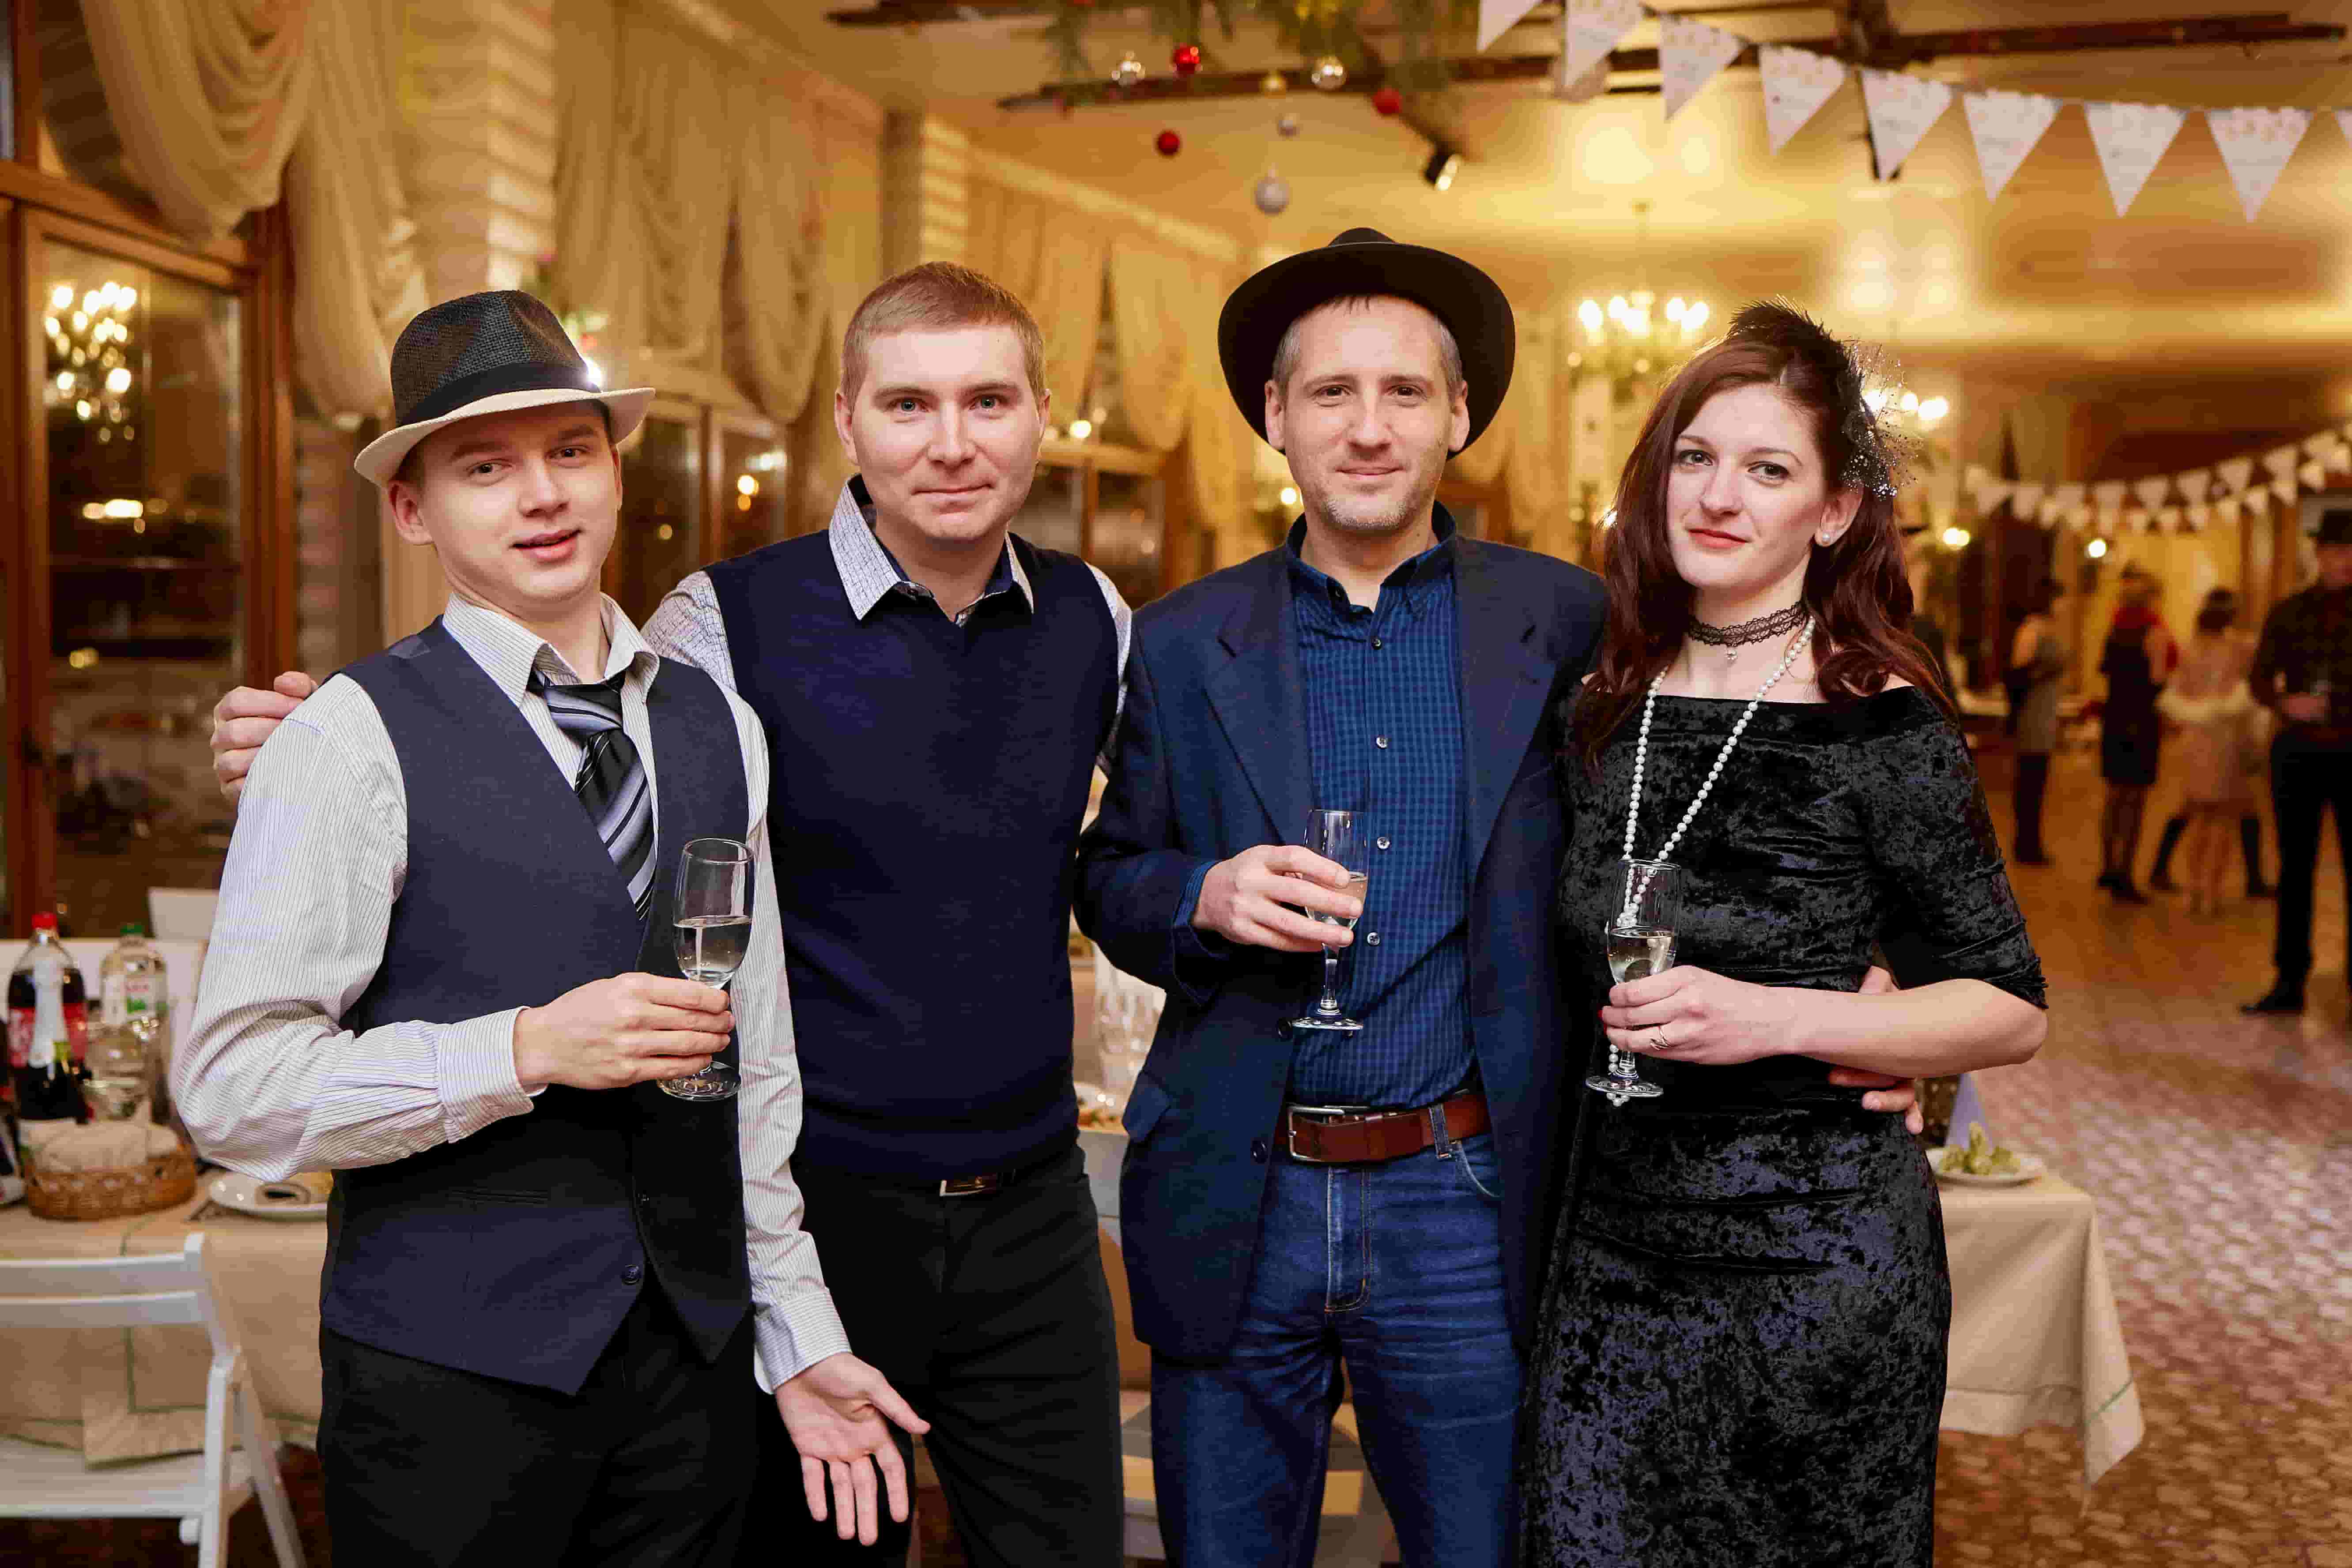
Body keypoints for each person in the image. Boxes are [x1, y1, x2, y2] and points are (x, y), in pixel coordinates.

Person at [213, 264, 1132, 1567]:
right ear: (410, 508)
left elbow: (746, 1038)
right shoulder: (380, 727)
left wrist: (790, 1328)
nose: (543, 495)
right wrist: (520, 1042)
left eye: (570, 452)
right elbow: (238, 1085)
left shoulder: (716, 721)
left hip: (720, 1335)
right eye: (486, 468)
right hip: (471, 1351)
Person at [1076, 236, 1918, 1568]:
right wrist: (1202, 890)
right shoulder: (1182, 638)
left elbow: (1705, 818)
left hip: (1466, 1195)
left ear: (1457, 416)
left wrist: (1853, 983)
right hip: (1240, 1186)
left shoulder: (1569, 621)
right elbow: (1111, 874)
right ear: (1275, 416)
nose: (1367, 427)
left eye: (1404, 392)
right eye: (1331, 392)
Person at [1521, 302, 2048, 1567]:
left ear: (1831, 510)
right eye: (1694, 458)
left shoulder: (1879, 719)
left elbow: (2010, 1005)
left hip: (1818, 1267)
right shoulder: (1599, 702)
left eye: (1766, 469)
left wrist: (1784, 1019)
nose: (1717, 496)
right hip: (1608, 1254)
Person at [2242, 508, 2352, 1016]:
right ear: (2319, 554)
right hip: (2297, 753)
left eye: (2351, 551)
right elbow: (2258, 679)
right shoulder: (2288, 612)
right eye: (2336, 550)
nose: (2345, 560)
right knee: (2294, 869)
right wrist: (2286, 703)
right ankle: (2288, 981)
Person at [2154, 589, 2260, 916]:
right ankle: (2212, 892)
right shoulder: (2240, 649)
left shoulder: (2189, 651)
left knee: (2197, 817)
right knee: (2222, 821)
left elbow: (2175, 696)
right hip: (2226, 738)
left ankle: (2193, 890)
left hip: (2194, 738)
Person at [2097, 565, 2176, 902]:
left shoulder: (2114, 630)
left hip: (2114, 717)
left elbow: (2105, 670)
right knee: (2135, 799)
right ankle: (2125, 875)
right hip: (2141, 720)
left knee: (2114, 794)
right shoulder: (2154, 633)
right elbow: (2157, 680)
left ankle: (2107, 867)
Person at [2008, 576, 2067, 866]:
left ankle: (2032, 841)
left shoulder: (2047, 629)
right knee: (2030, 781)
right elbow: (2018, 677)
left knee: (2038, 780)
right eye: (2060, 599)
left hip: (2044, 711)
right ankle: (2025, 844)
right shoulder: (2031, 630)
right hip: (2032, 713)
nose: (2064, 605)